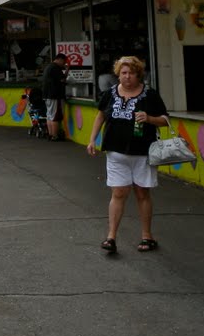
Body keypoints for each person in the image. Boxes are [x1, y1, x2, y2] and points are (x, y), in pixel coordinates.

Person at [86, 56, 168, 255]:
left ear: (138, 74)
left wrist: (149, 118)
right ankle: (111, 237)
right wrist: (92, 139)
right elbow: (100, 116)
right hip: (115, 152)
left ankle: (147, 237)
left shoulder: (150, 95)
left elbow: (165, 120)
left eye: (131, 73)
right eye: (123, 73)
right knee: (118, 193)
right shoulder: (110, 94)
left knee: (142, 193)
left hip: (143, 153)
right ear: (118, 74)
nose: (127, 76)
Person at [41, 53, 68, 141]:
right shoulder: (55, 68)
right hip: (55, 96)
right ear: (59, 59)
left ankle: (51, 134)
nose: (64, 64)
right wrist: (67, 70)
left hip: (47, 95)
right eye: (64, 62)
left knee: (49, 116)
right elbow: (62, 79)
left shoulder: (49, 67)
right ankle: (55, 136)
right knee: (55, 117)